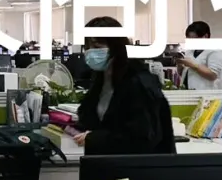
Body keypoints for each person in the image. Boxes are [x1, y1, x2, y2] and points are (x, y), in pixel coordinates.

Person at [71, 16, 175, 155]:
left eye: (97, 47)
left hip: (135, 163)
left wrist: (95, 138)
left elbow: (142, 136)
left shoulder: (139, 82)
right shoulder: (101, 78)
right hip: (107, 161)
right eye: (87, 47)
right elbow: (94, 117)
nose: (90, 52)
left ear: (116, 46)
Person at [177, 20, 222, 90]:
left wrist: (192, 65)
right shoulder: (190, 51)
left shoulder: (215, 51)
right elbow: (187, 74)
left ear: (205, 36)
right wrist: (180, 67)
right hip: (188, 92)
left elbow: (213, 75)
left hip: (207, 93)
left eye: (194, 39)